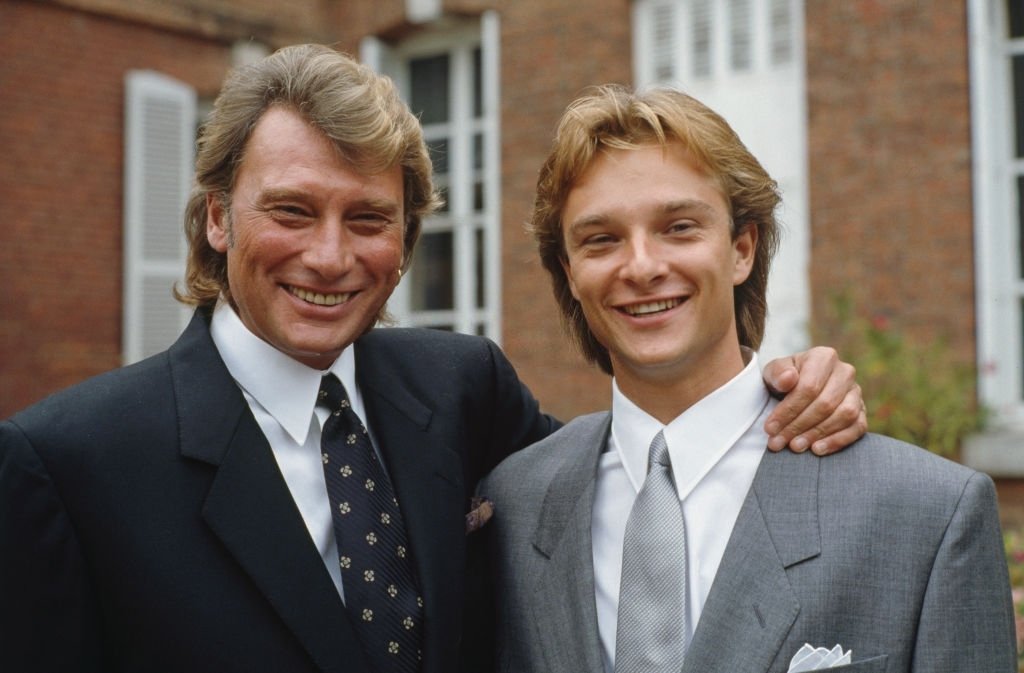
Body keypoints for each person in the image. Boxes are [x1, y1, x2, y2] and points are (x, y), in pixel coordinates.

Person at [0, 46, 863, 673]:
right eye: (292, 211)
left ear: (406, 239)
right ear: (218, 218)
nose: (331, 256)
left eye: (369, 219)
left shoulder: (460, 388)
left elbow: (635, 477)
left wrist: (786, 390)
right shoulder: (66, 463)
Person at [480, 85, 1016, 673]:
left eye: (679, 227)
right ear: (570, 270)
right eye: (601, 239)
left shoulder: (927, 513)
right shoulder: (512, 505)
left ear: (741, 248)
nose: (641, 266)